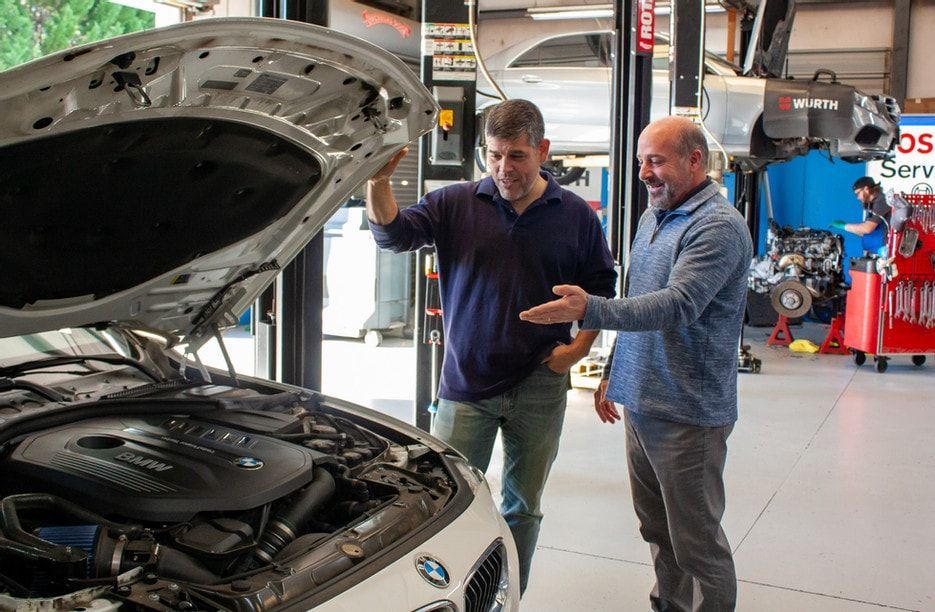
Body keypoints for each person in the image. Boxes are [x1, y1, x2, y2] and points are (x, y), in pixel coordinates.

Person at [365, 98, 616, 594]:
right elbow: (393, 236)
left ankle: (508, 596)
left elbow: (602, 290)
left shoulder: (575, 216)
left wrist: (578, 351)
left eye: (517, 156)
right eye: (494, 154)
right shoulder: (453, 203)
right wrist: (378, 183)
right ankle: (445, 596)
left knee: (523, 505)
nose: (504, 168)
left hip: (540, 385)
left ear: (542, 150)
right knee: (443, 500)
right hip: (465, 385)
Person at [519, 116, 752, 611]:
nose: (644, 172)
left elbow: (677, 305)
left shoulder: (718, 227)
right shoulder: (655, 216)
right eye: (641, 160)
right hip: (643, 398)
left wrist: (591, 309)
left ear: (695, 161)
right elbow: (641, 297)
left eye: (656, 161)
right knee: (657, 528)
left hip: (688, 410)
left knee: (696, 541)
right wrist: (612, 369)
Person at [830, 176, 890, 253]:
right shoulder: (871, 204)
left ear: (866, 189)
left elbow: (867, 229)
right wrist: (844, 227)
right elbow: (864, 233)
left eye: (858, 193)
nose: (858, 198)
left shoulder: (880, 202)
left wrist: (844, 226)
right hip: (875, 251)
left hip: (884, 251)